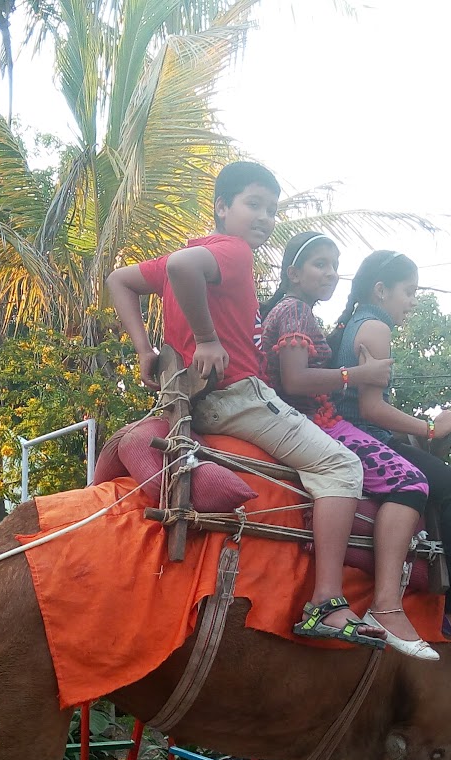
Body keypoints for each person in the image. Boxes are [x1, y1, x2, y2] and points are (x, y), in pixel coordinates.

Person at [106, 162, 388, 649]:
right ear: (222, 207)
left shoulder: (196, 252)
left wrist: (144, 349)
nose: (264, 217)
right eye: (253, 204)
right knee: (342, 466)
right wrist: (207, 338)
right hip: (239, 397)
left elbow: (118, 279)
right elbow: (181, 268)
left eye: (271, 210)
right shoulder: (232, 251)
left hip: (192, 401)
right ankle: (326, 602)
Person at [326, 251, 451, 656]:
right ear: (381, 290)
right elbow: (371, 410)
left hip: (357, 431)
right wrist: (430, 428)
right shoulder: (376, 327)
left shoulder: (356, 322)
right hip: (364, 435)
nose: (413, 301)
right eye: (409, 292)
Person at [259, 232, 437, 660]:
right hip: (314, 422)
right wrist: (355, 376)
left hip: (313, 419)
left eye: (334, 265)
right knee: (412, 482)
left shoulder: (295, 311)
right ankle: (384, 605)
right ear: (293, 273)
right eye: (319, 264)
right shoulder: (296, 310)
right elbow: (295, 381)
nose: (330, 273)